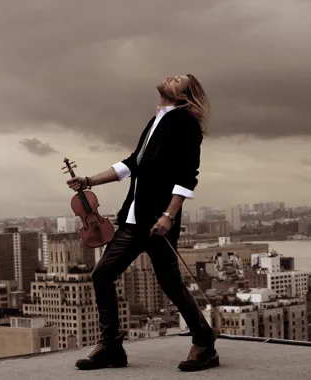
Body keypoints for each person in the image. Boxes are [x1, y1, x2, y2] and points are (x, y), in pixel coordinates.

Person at [66, 74, 219, 372]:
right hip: (134, 219)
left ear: (183, 95)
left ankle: (204, 343)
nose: (171, 76)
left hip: (157, 221)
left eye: (179, 79)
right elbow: (132, 163)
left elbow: (188, 176)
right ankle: (111, 347)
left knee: (171, 285)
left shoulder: (185, 123)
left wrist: (168, 215)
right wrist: (88, 180)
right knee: (102, 275)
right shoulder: (156, 120)